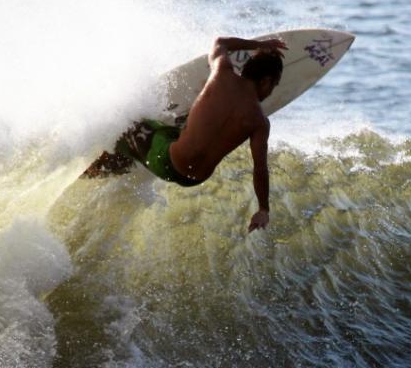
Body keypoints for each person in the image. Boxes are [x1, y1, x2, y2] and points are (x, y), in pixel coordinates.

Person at [83, 36, 287, 232]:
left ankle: (95, 169)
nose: (271, 91)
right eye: (275, 85)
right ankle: (140, 150)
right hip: (193, 178)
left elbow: (220, 42)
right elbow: (260, 168)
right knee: (168, 133)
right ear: (266, 82)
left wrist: (259, 44)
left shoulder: (221, 74)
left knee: (126, 122)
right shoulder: (260, 122)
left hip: (168, 162)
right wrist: (263, 209)